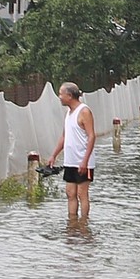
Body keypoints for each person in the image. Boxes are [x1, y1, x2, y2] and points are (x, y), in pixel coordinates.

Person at [45, 81, 96, 221]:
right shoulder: (68, 113)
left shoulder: (84, 111)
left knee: (82, 194)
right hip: (70, 160)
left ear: (69, 95)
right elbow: (64, 136)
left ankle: (84, 223)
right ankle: (72, 224)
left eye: (61, 94)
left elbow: (91, 136)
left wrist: (84, 161)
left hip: (83, 161)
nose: (59, 97)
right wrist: (54, 155)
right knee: (70, 193)